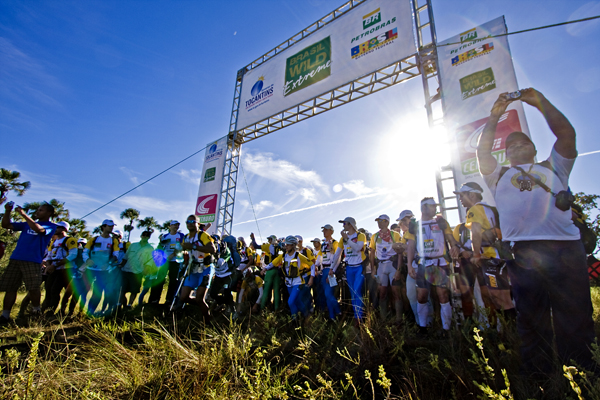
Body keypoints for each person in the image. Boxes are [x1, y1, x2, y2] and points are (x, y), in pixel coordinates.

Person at [477, 88, 596, 374]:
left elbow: (567, 135)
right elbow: (482, 151)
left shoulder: (554, 168)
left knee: (575, 315)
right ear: (505, 155)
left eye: (523, 142)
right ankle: (540, 376)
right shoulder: (499, 175)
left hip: (565, 248)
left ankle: (582, 371)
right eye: (511, 146)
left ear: (534, 149)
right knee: (531, 318)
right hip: (523, 253)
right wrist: (494, 116)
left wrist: (541, 103)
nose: (517, 146)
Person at [453, 182, 516, 326]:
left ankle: (511, 337)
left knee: (500, 298)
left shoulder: (474, 209)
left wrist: (476, 255)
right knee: (503, 297)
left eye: (462, 195)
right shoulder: (491, 208)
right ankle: (509, 335)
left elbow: (476, 233)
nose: (460, 199)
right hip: (501, 256)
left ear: (472, 195)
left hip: (491, 258)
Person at [406, 198, 459, 335]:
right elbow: (411, 246)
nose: (435, 209)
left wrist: (454, 247)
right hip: (423, 264)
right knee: (422, 296)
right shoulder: (415, 225)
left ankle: (446, 329)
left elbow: (450, 238)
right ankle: (423, 328)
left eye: (435, 206)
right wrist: (409, 266)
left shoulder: (441, 222)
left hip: (440, 263)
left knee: (443, 295)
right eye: (432, 206)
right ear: (423, 208)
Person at [0, 202, 57, 324]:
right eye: (38, 209)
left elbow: (38, 229)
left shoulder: (51, 226)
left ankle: (36, 311)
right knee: (11, 287)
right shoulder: (26, 225)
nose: (38, 211)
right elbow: (6, 224)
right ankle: (5, 315)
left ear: (49, 213)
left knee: (33, 288)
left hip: (33, 260)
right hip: (16, 258)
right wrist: (8, 211)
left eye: (41, 210)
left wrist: (23, 214)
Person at [174, 215, 216, 321]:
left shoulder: (202, 235)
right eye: (188, 221)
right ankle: (204, 306)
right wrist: (180, 251)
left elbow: (212, 249)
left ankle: (208, 321)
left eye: (193, 221)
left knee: (200, 298)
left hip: (205, 268)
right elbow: (183, 250)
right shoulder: (186, 237)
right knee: (183, 297)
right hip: (193, 268)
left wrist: (193, 246)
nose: (190, 223)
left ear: (198, 223)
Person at [263, 235, 313, 319]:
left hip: (298, 282)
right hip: (288, 283)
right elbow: (273, 263)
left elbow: (312, 265)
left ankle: (296, 319)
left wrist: (311, 278)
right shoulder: (283, 256)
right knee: (297, 301)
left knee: (290, 301)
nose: (286, 246)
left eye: (288, 244)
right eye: (286, 244)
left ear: (293, 245)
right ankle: (304, 316)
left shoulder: (299, 256)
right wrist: (265, 268)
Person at [331, 217, 367, 324]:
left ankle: (359, 318)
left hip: (359, 267)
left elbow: (357, 248)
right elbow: (337, 254)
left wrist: (347, 239)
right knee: (352, 293)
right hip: (349, 268)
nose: (343, 226)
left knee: (357, 291)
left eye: (345, 223)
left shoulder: (360, 235)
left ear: (351, 224)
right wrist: (332, 269)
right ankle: (356, 315)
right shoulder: (342, 239)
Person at [82, 219, 121, 316]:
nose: (111, 227)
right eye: (109, 226)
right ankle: (79, 312)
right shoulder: (94, 239)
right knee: (83, 290)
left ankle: (90, 313)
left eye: (112, 226)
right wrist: (87, 260)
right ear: (103, 227)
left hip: (105, 271)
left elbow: (116, 254)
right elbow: (85, 252)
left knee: (98, 292)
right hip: (90, 270)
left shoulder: (113, 241)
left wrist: (109, 262)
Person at [370, 214, 403, 323]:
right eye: (378, 221)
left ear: (387, 222)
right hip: (381, 266)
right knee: (382, 292)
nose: (379, 223)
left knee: (396, 292)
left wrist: (398, 269)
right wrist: (373, 269)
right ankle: (383, 319)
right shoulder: (375, 236)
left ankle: (399, 319)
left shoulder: (395, 234)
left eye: (381, 221)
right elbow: (372, 253)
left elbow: (400, 252)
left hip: (392, 265)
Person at [42, 221, 78, 315]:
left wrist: (55, 265)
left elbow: (73, 255)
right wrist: (49, 266)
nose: (55, 229)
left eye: (57, 227)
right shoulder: (53, 242)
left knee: (60, 290)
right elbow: (49, 256)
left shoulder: (70, 240)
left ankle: (62, 311)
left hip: (67, 269)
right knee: (49, 289)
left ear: (64, 229)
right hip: (54, 269)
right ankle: (47, 309)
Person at [120, 230, 155, 308]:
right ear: (141, 236)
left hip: (138, 272)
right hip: (126, 270)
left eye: (147, 236)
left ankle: (129, 305)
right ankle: (122, 304)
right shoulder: (133, 245)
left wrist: (145, 271)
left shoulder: (150, 248)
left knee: (134, 290)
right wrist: (121, 265)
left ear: (149, 237)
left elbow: (149, 261)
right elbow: (125, 257)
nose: (145, 237)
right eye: (144, 235)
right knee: (121, 290)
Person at [153, 221, 185, 304]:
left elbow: (183, 247)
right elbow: (160, 247)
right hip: (165, 261)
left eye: (178, 225)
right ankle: (155, 299)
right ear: (170, 226)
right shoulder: (165, 236)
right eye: (174, 225)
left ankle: (169, 300)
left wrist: (174, 254)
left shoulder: (181, 236)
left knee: (173, 281)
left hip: (176, 261)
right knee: (160, 279)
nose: (176, 227)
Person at [250, 233, 283, 311]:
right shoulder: (280, 247)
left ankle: (262, 309)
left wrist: (253, 239)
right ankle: (276, 309)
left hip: (270, 269)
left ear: (273, 240)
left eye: (270, 239)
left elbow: (256, 246)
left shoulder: (268, 246)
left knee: (266, 290)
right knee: (276, 291)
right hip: (278, 270)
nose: (268, 241)